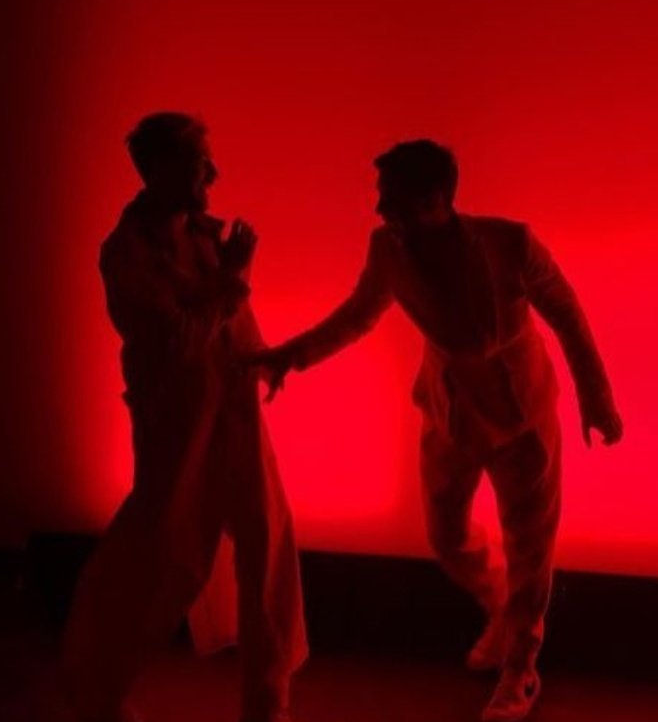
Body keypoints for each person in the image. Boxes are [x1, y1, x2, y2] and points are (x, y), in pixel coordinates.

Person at [251, 139, 621, 722]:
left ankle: (521, 668)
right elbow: (357, 316)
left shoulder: (511, 244)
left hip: (522, 416)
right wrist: (290, 357)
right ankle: (503, 609)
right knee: (446, 535)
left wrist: (596, 398)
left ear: (436, 198)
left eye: (391, 197)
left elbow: (566, 313)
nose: (380, 208)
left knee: (531, 547)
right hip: (448, 413)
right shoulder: (388, 249)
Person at [62, 113, 307, 722]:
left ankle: (267, 703)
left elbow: (224, 329)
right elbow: (178, 344)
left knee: (266, 545)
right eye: (200, 162)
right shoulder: (126, 255)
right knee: (166, 557)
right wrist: (232, 280)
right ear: (160, 170)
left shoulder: (206, 235)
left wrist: (261, 358)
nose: (213, 174)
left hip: (236, 415)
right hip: (176, 426)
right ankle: (97, 688)